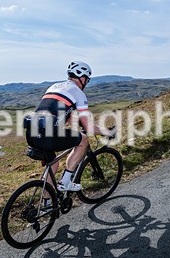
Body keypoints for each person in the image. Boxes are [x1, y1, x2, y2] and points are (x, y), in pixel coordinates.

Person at [24, 61, 113, 192]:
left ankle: (47, 204)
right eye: (87, 80)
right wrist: (106, 132)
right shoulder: (78, 93)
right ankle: (65, 181)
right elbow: (88, 127)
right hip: (47, 134)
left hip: (31, 131)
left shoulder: (55, 86)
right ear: (82, 78)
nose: (86, 83)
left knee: (53, 165)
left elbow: (64, 114)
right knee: (83, 140)